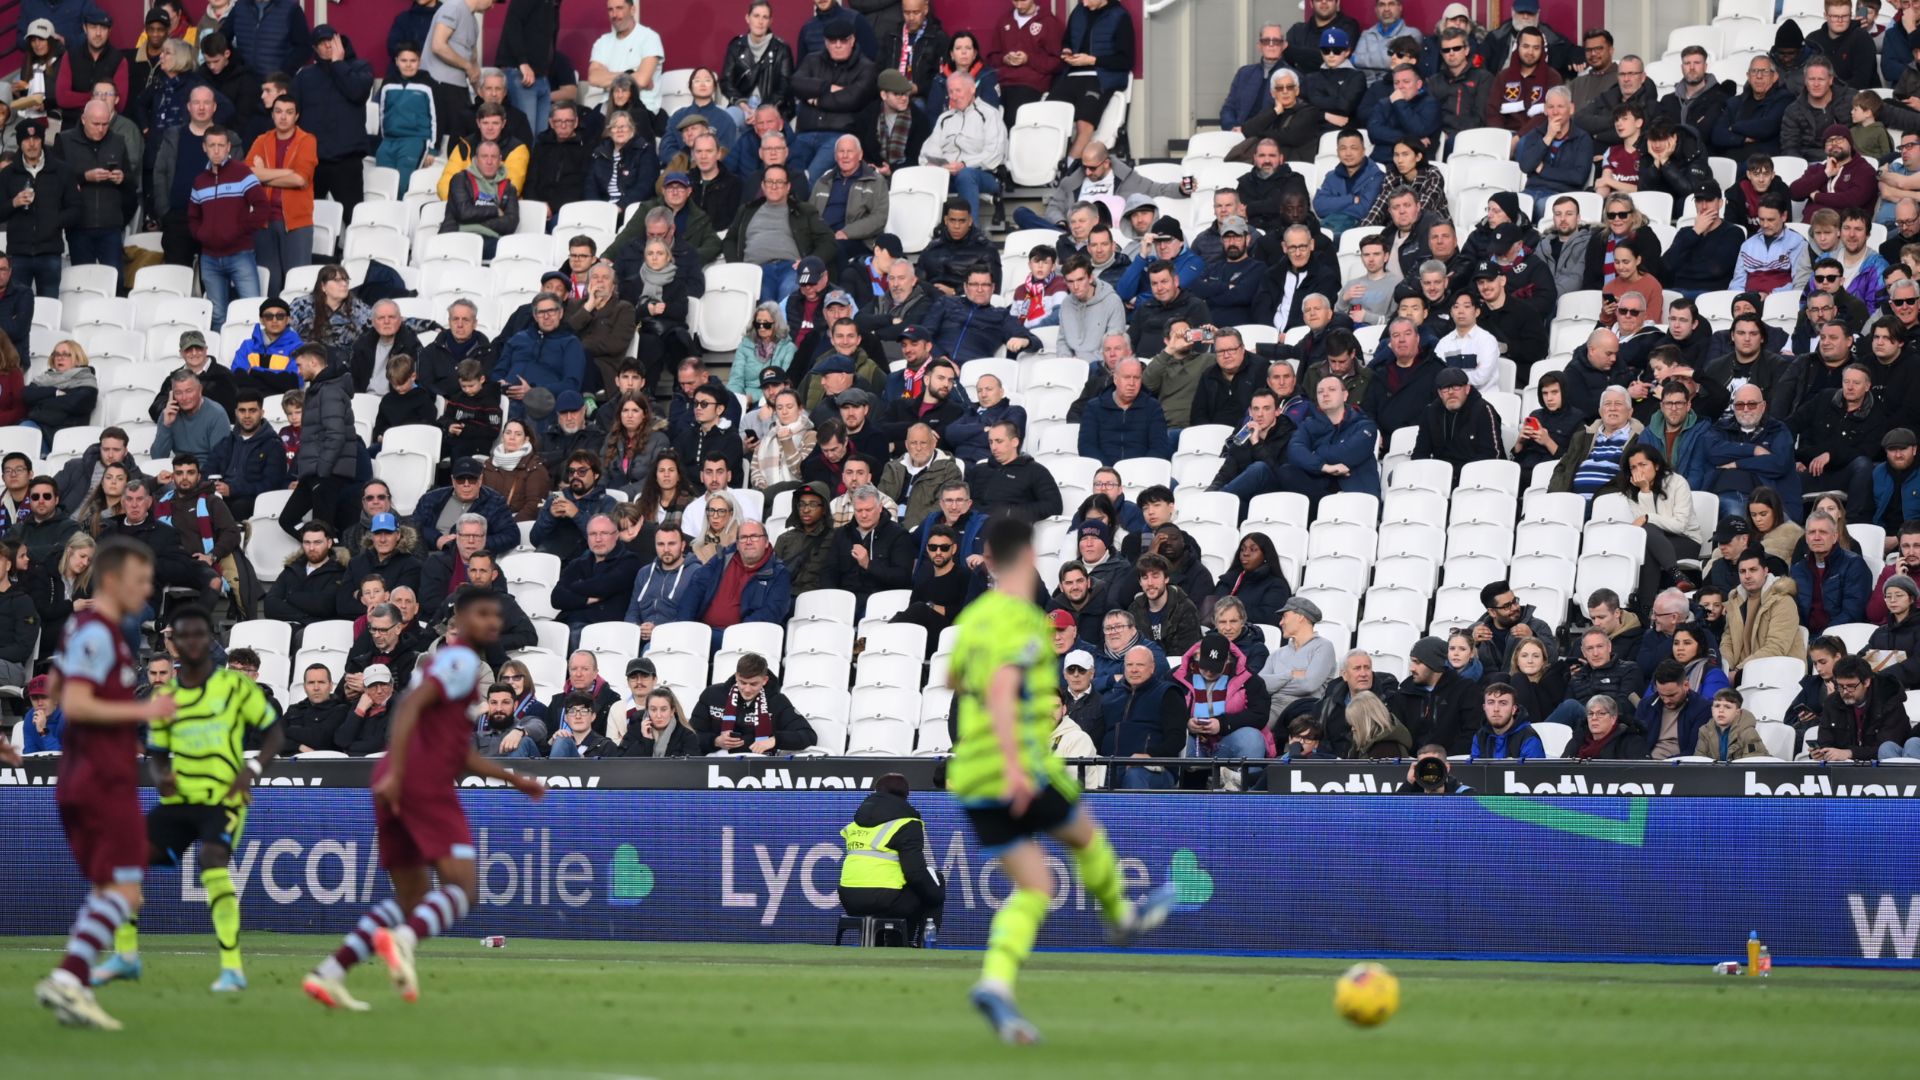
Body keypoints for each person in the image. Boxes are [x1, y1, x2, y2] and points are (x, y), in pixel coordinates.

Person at [952, 516, 1175, 1043]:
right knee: (1085, 837)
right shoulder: (1021, 620)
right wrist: (1013, 765)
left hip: (972, 776)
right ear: (1029, 558)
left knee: (1035, 883)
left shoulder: (974, 619)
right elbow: (1005, 688)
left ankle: (996, 984)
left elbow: (961, 682)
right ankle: (1120, 916)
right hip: (1015, 766)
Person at [301, 588, 545, 1011]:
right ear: (461, 620)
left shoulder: (450, 663)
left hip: (400, 776)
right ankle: (404, 939)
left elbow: (458, 750)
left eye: (495, 614)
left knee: (411, 898)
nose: (493, 621)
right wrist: (400, 768)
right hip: (421, 781)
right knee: (463, 889)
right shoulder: (462, 660)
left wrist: (512, 779)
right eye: (483, 613)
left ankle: (330, 974)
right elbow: (411, 706)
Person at [90, 605, 279, 993]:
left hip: (223, 798)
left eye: (199, 635)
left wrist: (251, 771)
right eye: (183, 636)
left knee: (212, 862)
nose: (192, 642)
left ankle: (232, 968)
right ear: (172, 643)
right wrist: (162, 779)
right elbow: (157, 753)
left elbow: (275, 734)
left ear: (209, 639)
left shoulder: (235, 687)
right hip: (181, 801)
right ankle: (126, 957)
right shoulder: (167, 698)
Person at [28, 540, 178, 1029]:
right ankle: (69, 981)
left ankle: (72, 982)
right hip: (101, 776)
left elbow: (53, 687)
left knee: (118, 886)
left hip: (83, 774)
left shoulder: (84, 628)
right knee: (126, 886)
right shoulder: (100, 633)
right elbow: (74, 703)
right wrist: (144, 709)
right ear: (112, 582)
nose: (147, 588)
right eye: (140, 579)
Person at [837, 772, 946, 945]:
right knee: (934, 883)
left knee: (914, 888)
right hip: (885, 900)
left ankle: (882, 944)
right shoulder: (907, 824)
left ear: (875, 791)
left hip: (849, 899)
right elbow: (914, 872)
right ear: (906, 796)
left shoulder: (855, 824)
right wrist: (937, 896)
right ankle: (920, 946)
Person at [690, 652, 816, 755]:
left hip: (759, 767)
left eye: (753, 684)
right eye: (742, 682)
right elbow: (689, 736)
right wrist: (715, 741)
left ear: (765, 680)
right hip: (715, 763)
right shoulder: (712, 694)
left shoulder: (777, 701)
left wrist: (775, 740)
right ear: (736, 676)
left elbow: (808, 736)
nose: (747, 689)